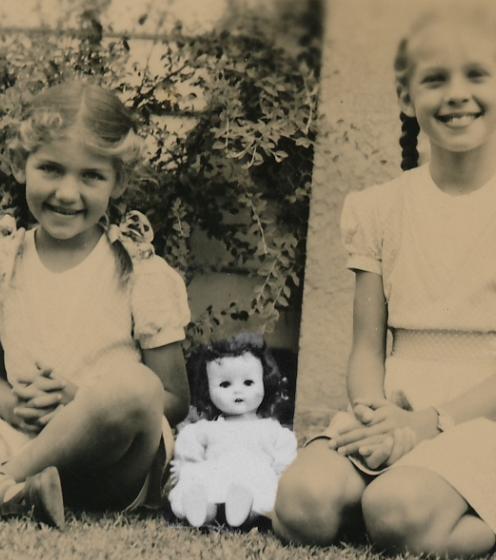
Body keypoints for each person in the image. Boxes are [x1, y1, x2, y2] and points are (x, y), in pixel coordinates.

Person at [274, 2, 496, 558]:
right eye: (435, 79)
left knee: (397, 513)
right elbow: (367, 347)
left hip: (480, 412)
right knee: (304, 502)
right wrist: (373, 414)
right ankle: (393, 491)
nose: (457, 94)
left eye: (477, 74)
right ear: (406, 96)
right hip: (398, 400)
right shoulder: (380, 209)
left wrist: (427, 426)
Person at [0, 80, 191, 528]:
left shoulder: (140, 271)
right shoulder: (7, 261)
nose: (68, 194)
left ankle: (8, 481)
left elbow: (174, 399)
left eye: (90, 176)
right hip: (23, 432)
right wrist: (13, 406)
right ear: (19, 164)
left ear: (118, 180)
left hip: (112, 466)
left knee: (135, 388)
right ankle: (27, 491)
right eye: (51, 168)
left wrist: (79, 401)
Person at [168, 333, 297, 528]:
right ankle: (202, 509)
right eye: (225, 384)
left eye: (248, 383)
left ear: (265, 381)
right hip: (215, 475)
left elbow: (283, 464)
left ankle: (246, 511)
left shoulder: (272, 430)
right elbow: (190, 457)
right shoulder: (206, 430)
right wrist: (187, 469)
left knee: (260, 488)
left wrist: (281, 478)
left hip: (253, 480)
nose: (237, 391)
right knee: (196, 481)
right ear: (208, 389)